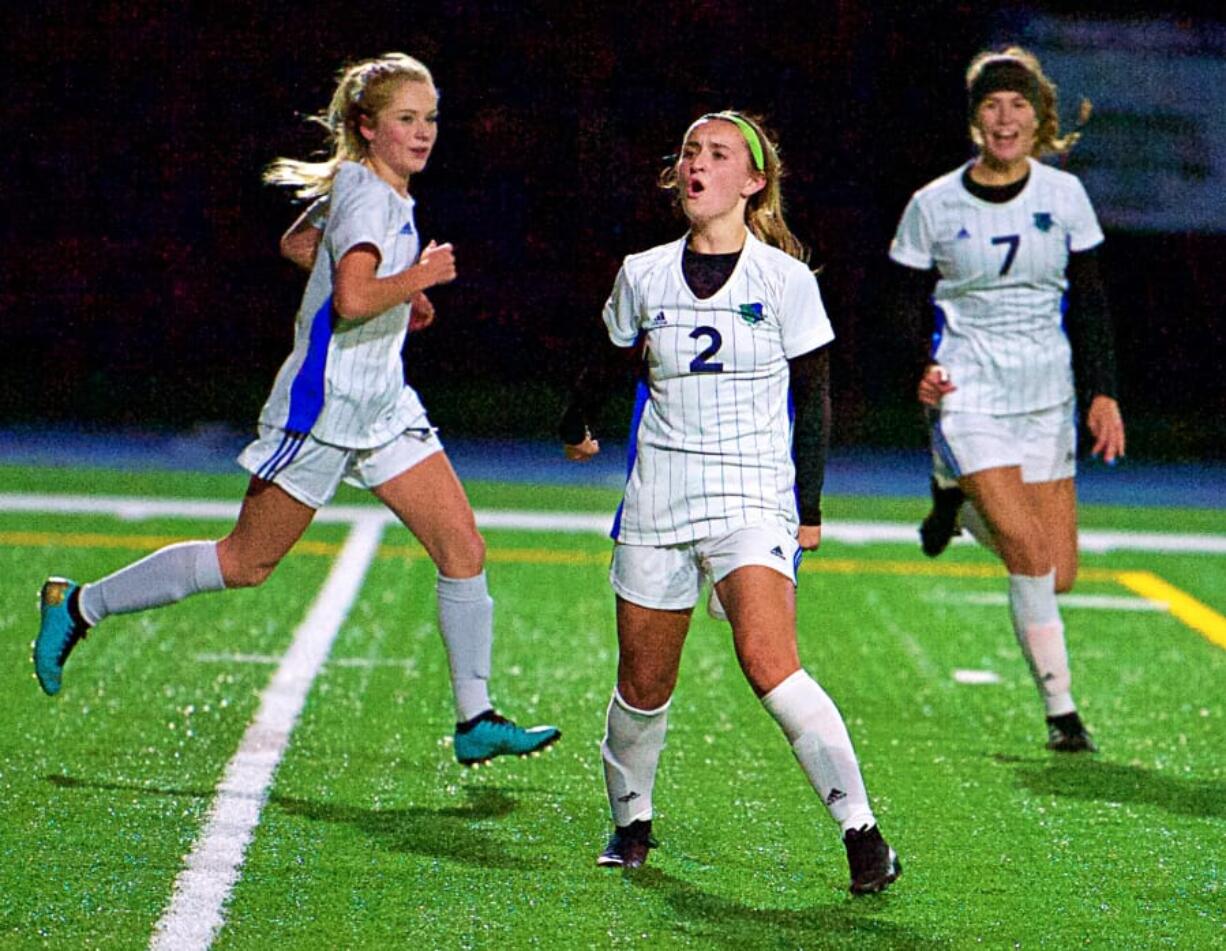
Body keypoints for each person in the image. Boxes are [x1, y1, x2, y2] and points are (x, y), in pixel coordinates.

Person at [34, 52, 560, 768]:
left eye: (430, 116)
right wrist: (417, 277)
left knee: (463, 549)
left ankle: (476, 718)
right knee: (245, 561)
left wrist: (397, 287)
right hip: (321, 411)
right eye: (406, 118)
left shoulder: (365, 184)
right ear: (367, 128)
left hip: (382, 407)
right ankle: (77, 606)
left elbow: (299, 244)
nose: (423, 130)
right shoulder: (371, 195)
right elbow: (349, 299)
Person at [561, 111, 900, 893]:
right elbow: (608, 360)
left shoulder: (785, 280)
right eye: (688, 152)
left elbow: (814, 399)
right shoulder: (642, 272)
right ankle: (632, 822)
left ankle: (863, 834)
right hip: (658, 498)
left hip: (752, 496)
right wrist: (575, 423)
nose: (696, 165)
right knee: (643, 686)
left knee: (769, 661)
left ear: (752, 182)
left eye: (717, 155)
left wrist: (807, 507)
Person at [888, 47, 1125, 752]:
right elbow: (899, 304)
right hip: (970, 390)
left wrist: (1103, 391)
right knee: (1026, 551)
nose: (1004, 118)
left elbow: (1091, 301)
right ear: (974, 122)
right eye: (992, 105)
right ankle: (1063, 712)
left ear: (1038, 118)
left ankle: (957, 503)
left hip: (1045, 393)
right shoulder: (933, 204)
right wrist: (920, 366)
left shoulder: (1065, 198)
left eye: (1018, 105)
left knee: (1062, 571)